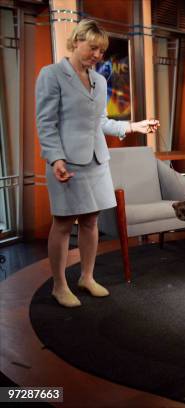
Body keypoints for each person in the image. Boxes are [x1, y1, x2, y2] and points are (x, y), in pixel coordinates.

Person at [36, 19, 159, 307]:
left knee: (92, 221)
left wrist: (133, 126)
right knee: (64, 223)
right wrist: (55, 158)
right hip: (65, 162)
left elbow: (100, 122)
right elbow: (45, 122)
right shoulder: (52, 74)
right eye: (93, 48)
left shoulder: (99, 79)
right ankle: (59, 284)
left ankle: (87, 277)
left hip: (96, 160)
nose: (97, 55)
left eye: (101, 51)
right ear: (77, 41)